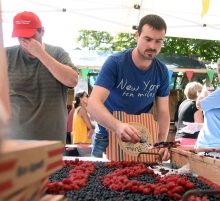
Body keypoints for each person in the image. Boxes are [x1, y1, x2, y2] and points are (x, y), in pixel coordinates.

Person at [87, 14, 170, 161]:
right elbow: (93, 104)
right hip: (107, 136)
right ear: (137, 36)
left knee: (142, 182)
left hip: (143, 140)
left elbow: (163, 111)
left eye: (158, 41)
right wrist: (117, 126)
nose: (152, 46)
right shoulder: (115, 62)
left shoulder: (162, 70)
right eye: (148, 39)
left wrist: (162, 141)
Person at [6, 11, 78, 142]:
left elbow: (72, 80)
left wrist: (41, 54)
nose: (24, 41)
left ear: (42, 31)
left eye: (30, 35)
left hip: (52, 143)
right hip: (13, 143)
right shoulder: (6, 55)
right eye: (20, 36)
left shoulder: (57, 53)